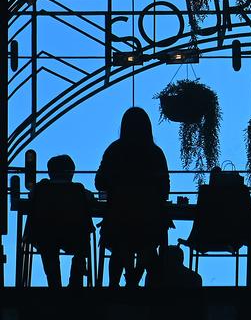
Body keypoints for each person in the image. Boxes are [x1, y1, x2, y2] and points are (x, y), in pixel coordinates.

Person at [95, 107, 170, 287]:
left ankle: (115, 284)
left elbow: (99, 182)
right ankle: (135, 279)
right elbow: (165, 188)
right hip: (149, 223)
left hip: (118, 220)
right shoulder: (155, 153)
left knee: (120, 245)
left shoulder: (114, 150)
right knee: (148, 246)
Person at [25, 155, 94, 287]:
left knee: (48, 249)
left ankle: (54, 282)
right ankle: (76, 279)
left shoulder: (41, 188)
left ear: (50, 172)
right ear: (71, 172)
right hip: (74, 235)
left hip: (45, 235)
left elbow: (30, 197)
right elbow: (90, 199)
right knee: (82, 243)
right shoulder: (78, 189)